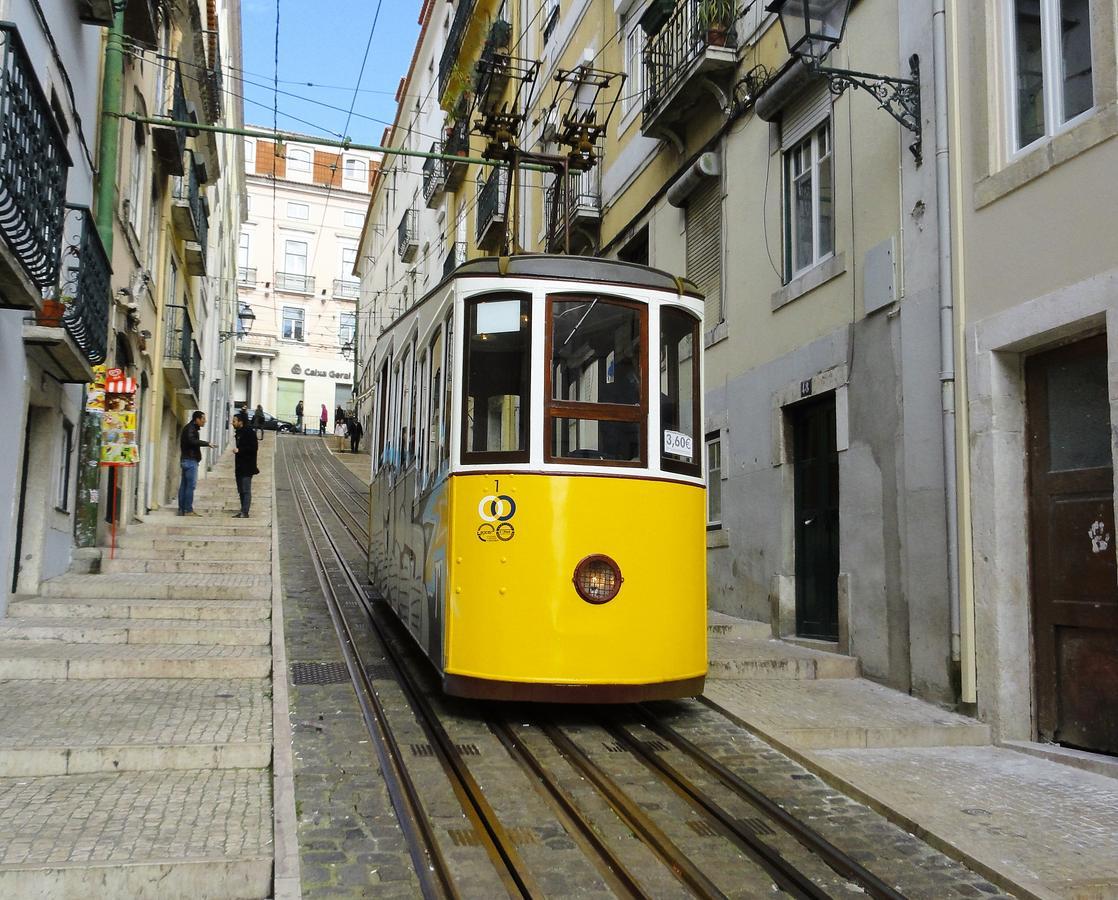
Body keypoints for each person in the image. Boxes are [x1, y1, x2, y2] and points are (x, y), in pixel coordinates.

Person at [177, 410, 210, 516]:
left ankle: (182, 509)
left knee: (184, 485)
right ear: (197, 419)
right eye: (203, 419)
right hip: (190, 460)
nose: (205, 421)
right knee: (190, 486)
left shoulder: (190, 428)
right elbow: (192, 441)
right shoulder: (190, 429)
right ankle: (188, 510)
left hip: (186, 459)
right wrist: (207, 443)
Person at [231, 410, 259, 518]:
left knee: (246, 489)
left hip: (247, 466)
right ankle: (242, 510)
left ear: (240, 422)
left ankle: (245, 512)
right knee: (241, 490)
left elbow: (253, 448)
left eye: (234, 421)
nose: (232, 423)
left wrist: (240, 450)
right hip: (239, 466)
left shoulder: (249, 432)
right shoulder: (239, 433)